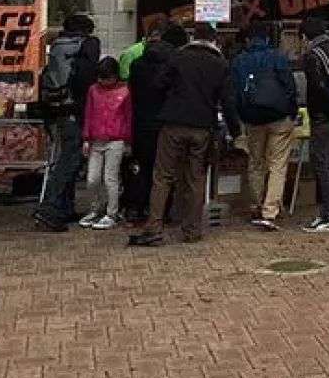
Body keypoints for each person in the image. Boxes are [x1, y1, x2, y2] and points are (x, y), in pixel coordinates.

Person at [130, 24, 240, 246]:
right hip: (202, 126)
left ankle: (154, 228)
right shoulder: (220, 64)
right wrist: (234, 130)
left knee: (162, 177)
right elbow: (228, 101)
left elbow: (158, 85)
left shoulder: (178, 57)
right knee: (196, 178)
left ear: (193, 37)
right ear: (214, 40)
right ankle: (192, 230)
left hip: (173, 123)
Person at [34, 13, 102, 232]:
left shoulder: (58, 46)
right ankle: (50, 208)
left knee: (67, 156)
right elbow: (87, 78)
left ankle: (65, 208)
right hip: (74, 109)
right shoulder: (88, 45)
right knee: (70, 161)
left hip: (56, 109)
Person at [232, 21, 299, 232]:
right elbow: (290, 85)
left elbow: (234, 91)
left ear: (248, 39)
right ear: (269, 39)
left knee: (256, 162)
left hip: (252, 118)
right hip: (280, 117)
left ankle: (256, 205)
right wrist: (292, 110)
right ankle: (270, 211)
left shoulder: (239, 60)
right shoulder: (278, 56)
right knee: (277, 164)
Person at [125, 21, 187, 224]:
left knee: (140, 167)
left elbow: (132, 92)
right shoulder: (172, 66)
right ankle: (162, 210)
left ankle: (136, 207)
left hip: (141, 122)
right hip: (163, 124)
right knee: (163, 171)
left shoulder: (137, 64)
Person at [301, 16, 329, 233]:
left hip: (323, 118)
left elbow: (319, 89)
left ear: (304, 36)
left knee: (323, 164)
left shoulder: (313, 55)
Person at [79, 56, 132, 229]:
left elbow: (129, 117)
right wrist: (86, 138)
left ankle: (112, 212)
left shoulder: (125, 92)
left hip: (116, 140)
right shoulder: (93, 90)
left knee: (110, 178)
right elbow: (88, 114)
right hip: (96, 139)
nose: (103, 81)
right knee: (92, 179)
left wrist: (128, 140)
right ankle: (96, 209)